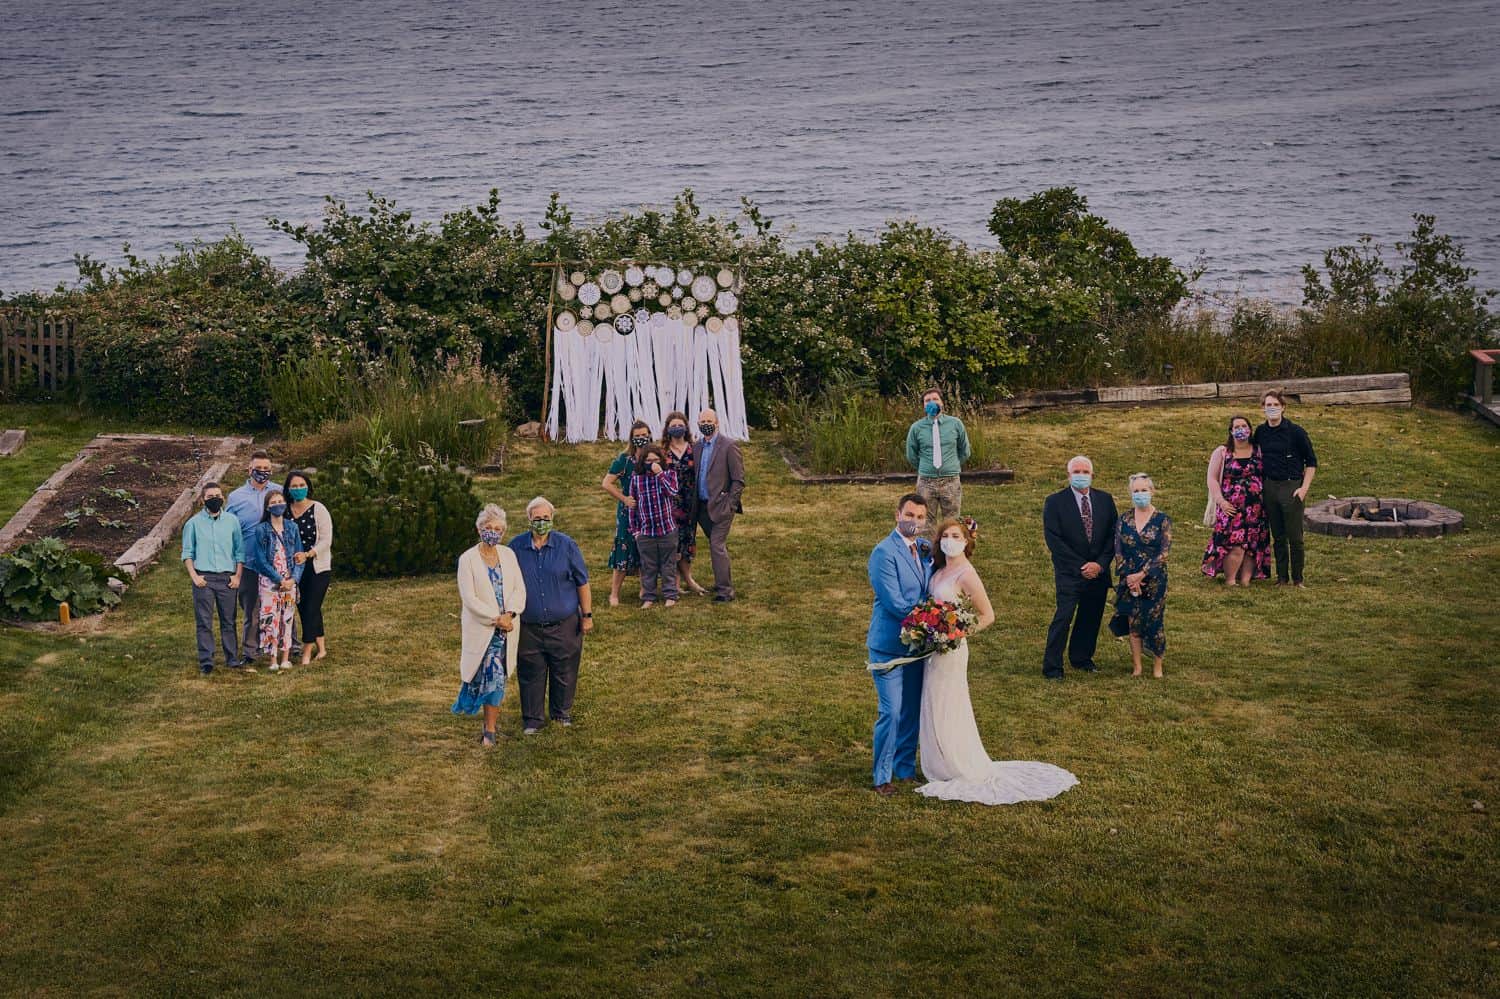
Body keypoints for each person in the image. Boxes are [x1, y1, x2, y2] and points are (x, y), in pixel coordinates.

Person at [918, 518, 1078, 804]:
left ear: (966, 542)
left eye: (956, 535)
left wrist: (955, 634)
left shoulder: (966, 573)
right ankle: (939, 760)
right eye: (946, 535)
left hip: (951, 649)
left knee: (948, 702)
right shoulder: (939, 569)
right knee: (933, 701)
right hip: (934, 649)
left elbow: (987, 615)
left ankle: (957, 762)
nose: (950, 539)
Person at [508, 497, 593, 733]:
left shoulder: (566, 546)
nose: (542, 522)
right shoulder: (515, 548)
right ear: (529, 519)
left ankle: (561, 714)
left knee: (564, 670)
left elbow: (582, 582)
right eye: (537, 519)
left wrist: (587, 615)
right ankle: (533, 720)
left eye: (546, 518)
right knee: (530, 672)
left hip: (564, 623)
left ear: (552, 519)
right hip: (529, 625)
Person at [867, 493, 932, 797]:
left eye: (920, 517)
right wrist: (933, 618)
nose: (914, 522)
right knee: (891, 712)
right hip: (889, 645)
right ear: (897, 515)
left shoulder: (923, 549)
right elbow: (895, 602)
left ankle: (904, 767)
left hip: (918, 647)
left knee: (911, 710)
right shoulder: (883, 552)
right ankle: (881, 777)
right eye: (909, 515)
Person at [455, 504, 527, 747]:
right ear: (479, 529)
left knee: (497, 678)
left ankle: (490, 730)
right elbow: (469, 598)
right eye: (489, 528)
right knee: (481, 676)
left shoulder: (508, 555)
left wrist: (510, 614)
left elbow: (519, 588)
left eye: (498, 529)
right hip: (484, 627)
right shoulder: (467, 559)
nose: (493, 533)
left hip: (506, 629)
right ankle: (486, 724)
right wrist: (496, 618)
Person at [1041, 455, 1118, 680]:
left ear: (1092, 475)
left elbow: (1113, 535)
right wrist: (1081, 565)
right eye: (1077, 472)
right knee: (1064, 617)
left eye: (1085, 472)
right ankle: (1052, 667)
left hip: (1098, 572)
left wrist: (1100, 564)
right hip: (1070, 572)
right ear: (1069, 475)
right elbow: (1054, 539)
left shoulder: (1105, 500)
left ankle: (1081, 658)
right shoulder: (1055, 502)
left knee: (1090, 616)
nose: (1081, 476)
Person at [1252, 390, 1318, 587]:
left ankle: (1298, 578)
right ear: (1263, 408)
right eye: (1268, 405)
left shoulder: (1296, 432)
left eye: (1275, 405)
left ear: (1283, 408)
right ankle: (1282, 578)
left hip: (1291, 486)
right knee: (1278, 535)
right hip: (1270, 486)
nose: (1271, 408)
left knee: (1295, 536)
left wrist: (1304, 488)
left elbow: (1311, 462)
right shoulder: (1261, 432)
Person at [1110, 474, 1173, 678]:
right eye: (1136, 491)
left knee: (1153, 620)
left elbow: (1164, 552)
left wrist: (1142, 574)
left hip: (1154, 578)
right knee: (1133, 621)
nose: (1140, 494)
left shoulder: (1162, 520)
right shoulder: (1124, 519)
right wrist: (1129, 577)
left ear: (1152, 491)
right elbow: (1118, 550)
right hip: (1128, 578)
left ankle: (1157, 666)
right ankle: (1137, 666)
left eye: (1144, 490)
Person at [181, 482, 244, 676]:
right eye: (210, 497)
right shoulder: (193, 523)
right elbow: (187, 553)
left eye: (218, 495)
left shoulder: (232, 521)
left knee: (229, 620)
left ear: (223, 497)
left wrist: (237, 576)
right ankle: (206, 661)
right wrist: (194, 576)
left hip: (227, 578)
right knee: (204, 621)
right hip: (204, 578)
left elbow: (239, 551)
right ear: (203, 500)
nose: (215, 499)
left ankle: (232, 658)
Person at [226, 451, 282, 665]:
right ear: (249, 470)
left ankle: (288, 644)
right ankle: (251, 650)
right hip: (249, 561)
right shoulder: (236, 497)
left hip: (274, 561)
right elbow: (230, 529)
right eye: (259, 468)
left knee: (281, 603)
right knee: (251, 608)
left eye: (267, 469)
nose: (263, 472)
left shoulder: (278, 491)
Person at [1201, 416, 1270, 586]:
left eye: (1244, 426)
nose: (1241, 429)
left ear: (1250, 429)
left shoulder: (1259, 450)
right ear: (1231, 431)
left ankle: (1246, 580)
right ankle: (1230, 580)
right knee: (1235, 544)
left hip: (1256, 509)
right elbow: (1212, 478)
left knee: (1252, 545)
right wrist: (1221, 501)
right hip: (1230, 507)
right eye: (1237, 427)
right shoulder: (1222, 452)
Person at [245, 489, 304, 673]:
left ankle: (285, 657)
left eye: (281, 501)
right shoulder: (261, 530)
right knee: (270, 618)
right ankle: (272, 658)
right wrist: (278, 578)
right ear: (268, 507)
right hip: (269, 581)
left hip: (289, 581)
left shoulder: (292, 527)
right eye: (274, 502)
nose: (278, 504)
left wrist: (293, 579)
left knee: (287, 617)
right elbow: (261, 560)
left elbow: (299, 556)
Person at [691, 408, 744, 602]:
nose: (706, 424)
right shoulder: (696, 448)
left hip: (722, 507)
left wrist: (731, 504)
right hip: (703, 508)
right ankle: (722, 580)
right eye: (702, 420)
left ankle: (725, 592)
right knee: (716, 546)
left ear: (717, 423)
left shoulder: (729, 446)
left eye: (709, 420)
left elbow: (738, 479)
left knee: (716, 545)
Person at [905, 387, 972, 525]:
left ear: (942, 402)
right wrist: (926, 467)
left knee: (952, 521)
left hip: (951, 481)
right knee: (925, 522)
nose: (931, 402)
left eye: (935, 399)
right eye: (927, 400)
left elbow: (965, 450)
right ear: (923, 406)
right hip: (926, 483)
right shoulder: (916, 428)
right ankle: (928, 547)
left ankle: (950, 546)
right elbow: (911, 454)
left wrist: (952, 465)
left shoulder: (955, 424)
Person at [286, 470, 333, 664]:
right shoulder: (285, 509)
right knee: (304, 607)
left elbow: (326, 540)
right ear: (288, 489)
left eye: (301, 485)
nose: (298, 489)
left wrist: (308, 554)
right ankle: (321, 648)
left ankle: (307, 650)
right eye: (294, 486)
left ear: (308, 486)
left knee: (311, 607)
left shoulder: (318, 508)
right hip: (295, 569)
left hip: (316, 566)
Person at [602, 420, 650, 607]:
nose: (641, 439)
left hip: (649, 511)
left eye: (644, 435)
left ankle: (645, 588)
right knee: (623, 547)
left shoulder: (653, 456)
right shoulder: (624, 459)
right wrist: (624, 499)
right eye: (637, 436)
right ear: (632, 438)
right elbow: (607, 483)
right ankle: (614, 593)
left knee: (646, 549)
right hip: (628, 512)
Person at [628, 443, 681, 609]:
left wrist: (659, 474)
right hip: (645, 532)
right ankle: (649, 596)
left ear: (661, 460)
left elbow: (672, 492)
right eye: (648, 460)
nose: (651, 463)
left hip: (667, 529)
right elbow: (632, 505)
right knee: (648, 566)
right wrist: (636, 531)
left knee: (668, 564)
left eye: (655, 460)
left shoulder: (669, 474)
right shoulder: (636, 479)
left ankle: (670, 595)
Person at [661, 411, 707, 596]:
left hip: (690, 502)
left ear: (686, 427)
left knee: (687, 541)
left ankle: (688, 578)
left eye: (680, 425)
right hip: (670, 503)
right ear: (667, 429)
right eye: (673, 425)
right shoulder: (662, 451)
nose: (677, 428)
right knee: (673, 542)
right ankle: (676, 582)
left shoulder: (694, 448)